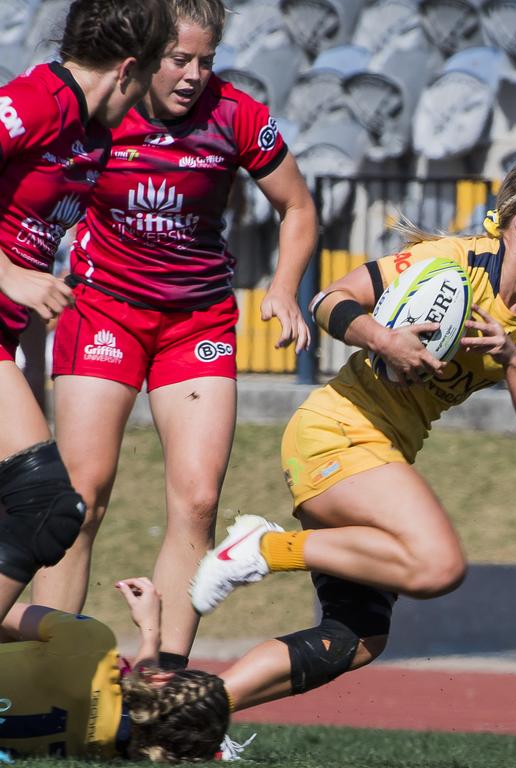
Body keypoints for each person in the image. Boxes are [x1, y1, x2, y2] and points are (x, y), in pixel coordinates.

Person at [187, 161, 516, 709]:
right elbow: (328, 301)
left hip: (383, 450)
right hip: (336, 431)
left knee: (354, 639)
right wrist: (385, 340)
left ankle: (194, 715)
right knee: (439, 564)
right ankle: (263, 548)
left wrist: (510, 358)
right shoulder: (451, 261)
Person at [34, 0, 318, 671]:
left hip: (198, 322)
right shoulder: (103, 106)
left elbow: (298, 206)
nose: (193, 74)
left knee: (196, 499)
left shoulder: (237, 114)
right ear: (145, 54)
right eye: (179, 59)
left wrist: (283, 288)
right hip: (102, 310)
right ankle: (52, 679)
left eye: (206, 61)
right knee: (82, 495)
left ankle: (162, 683)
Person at [0, 0, 175, 624]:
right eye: (155, 74)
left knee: (38, 506)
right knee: (47, 505)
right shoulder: (37, 102)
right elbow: (21, 269)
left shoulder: (91, 134)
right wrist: (10, 274)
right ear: (129, 69)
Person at [0, 578, 229, 761]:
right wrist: (150, 635)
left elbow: (4, 609)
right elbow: (125, 708)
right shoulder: (104, 753)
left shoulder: (89, 641)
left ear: (164, 677)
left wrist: (151, 627)